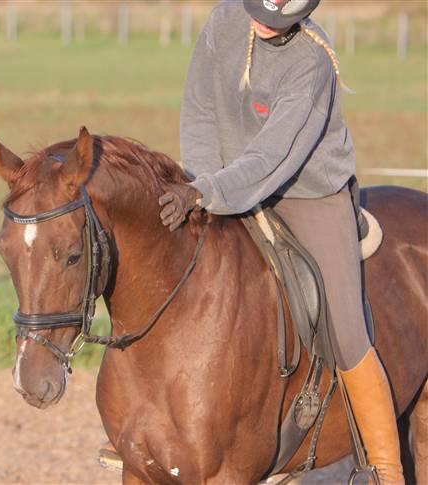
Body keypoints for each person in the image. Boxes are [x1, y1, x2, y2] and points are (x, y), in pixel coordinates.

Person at [157, 1, 404, 483]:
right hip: (222, 181)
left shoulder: (312, 61)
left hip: (307, 192)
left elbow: (274, 157)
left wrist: (208, 192)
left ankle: (386, 468)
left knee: (347, 329)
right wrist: (204, 182)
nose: (262, 24)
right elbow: (201, 110)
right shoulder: (225, 19)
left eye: (277, 21)